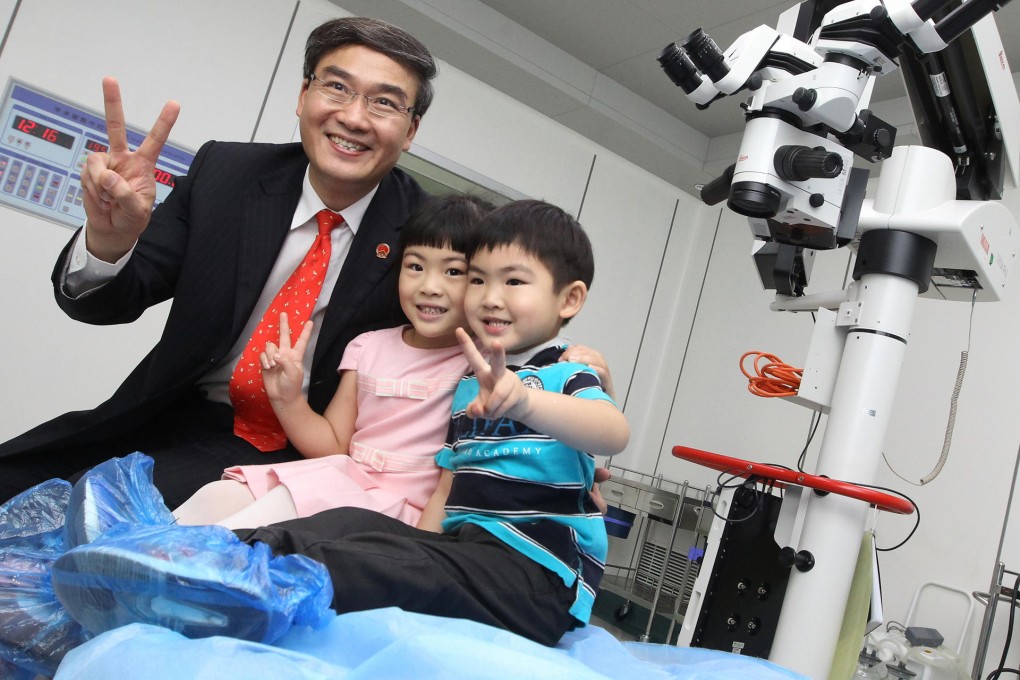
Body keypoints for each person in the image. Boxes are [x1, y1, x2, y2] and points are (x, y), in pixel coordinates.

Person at [50, 199, 630, 648]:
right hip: (446, 536)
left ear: (569, 299)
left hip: (533, 573)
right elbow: (450, 483)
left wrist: (526, 400)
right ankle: (152, 555)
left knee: (352, 553)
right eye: (477, 279)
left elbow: (611, 433)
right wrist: (419, 547)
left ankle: (195, 577)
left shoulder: (556, 371)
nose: (483, 295)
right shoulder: (464, 387)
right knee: (316, 523)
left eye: (510, 281)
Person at [0, 18, 439, 510]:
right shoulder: (227, 175)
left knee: (83, 512)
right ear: (302, 95)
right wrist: (109, 239)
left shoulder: (430, 234)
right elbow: (108, 304)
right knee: (15, 483)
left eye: (384, 102)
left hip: (300, 454)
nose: (355, 118)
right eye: (336, 87)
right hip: (167, 413)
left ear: (410, 130)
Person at [171, 193, 496, 529]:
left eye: (454, 271)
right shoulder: (368, 347)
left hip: (395, 517)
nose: (429, 286)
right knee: (219, 494)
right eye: (415, 266)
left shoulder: (484, 365)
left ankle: (177, 563)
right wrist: (288, 398)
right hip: (342, 485)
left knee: (266, 515)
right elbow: (333, 445)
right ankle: (142, 551)